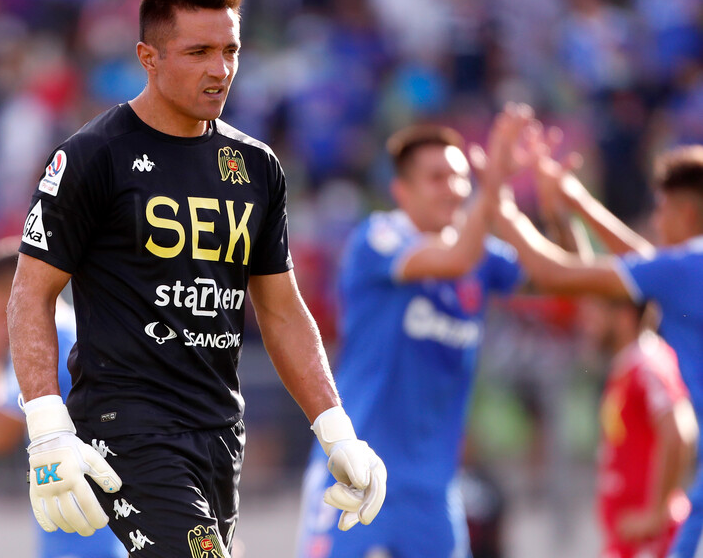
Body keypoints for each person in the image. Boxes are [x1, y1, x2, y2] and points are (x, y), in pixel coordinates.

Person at [6, 0, 386, 557]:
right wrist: (47, 427)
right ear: (148, 58)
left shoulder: (257, 167)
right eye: (198, 52)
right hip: (127, 425)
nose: (221, 69)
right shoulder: (92, 156)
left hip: (219, 429)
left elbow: (282, 311)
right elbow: (30, 292)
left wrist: (337, 432)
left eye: (230, 50)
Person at [297, 105, 533, 558]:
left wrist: (557, 203)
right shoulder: (378, 238)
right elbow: (454, 260)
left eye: (461, 177)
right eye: (437, 178)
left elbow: (554, 276)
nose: (454, 189)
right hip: (355, 475)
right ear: (401, 191)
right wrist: (493, 186)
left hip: (434, 493)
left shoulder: (482, 254)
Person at [495, 142, 703, 558]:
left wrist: (497, 202)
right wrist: (578, 204)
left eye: (661, 209)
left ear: (685, 213)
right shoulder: (685, 272)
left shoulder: (650, 350)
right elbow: (649, 265)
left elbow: (554, 274)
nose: (656, 221)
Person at [0, 237, 126, 558]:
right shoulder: (73, 330)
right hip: (98, 529)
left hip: (86, 538)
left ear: (10, 295)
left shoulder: (45, 344)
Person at [585, 298, 697, 558]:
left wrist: (656, 514)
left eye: (596, 308)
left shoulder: (647, 365)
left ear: (624, 316)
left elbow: (680, 431)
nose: (586, 319)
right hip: (629, 539)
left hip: (649, 542)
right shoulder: (627, 366)